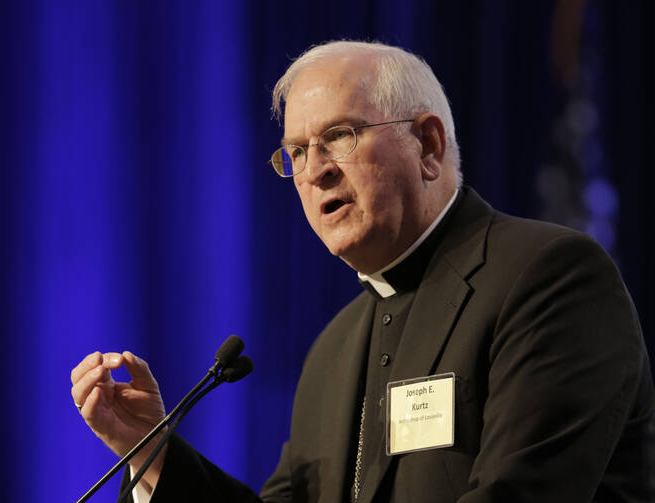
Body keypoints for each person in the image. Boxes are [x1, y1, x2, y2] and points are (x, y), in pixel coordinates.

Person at [71, 41, 655, 502]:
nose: (314, 170)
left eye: (339, 136)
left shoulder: (549, 279)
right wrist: (150, 453)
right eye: (296, 152)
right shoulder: (335, 347)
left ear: (428, 145)